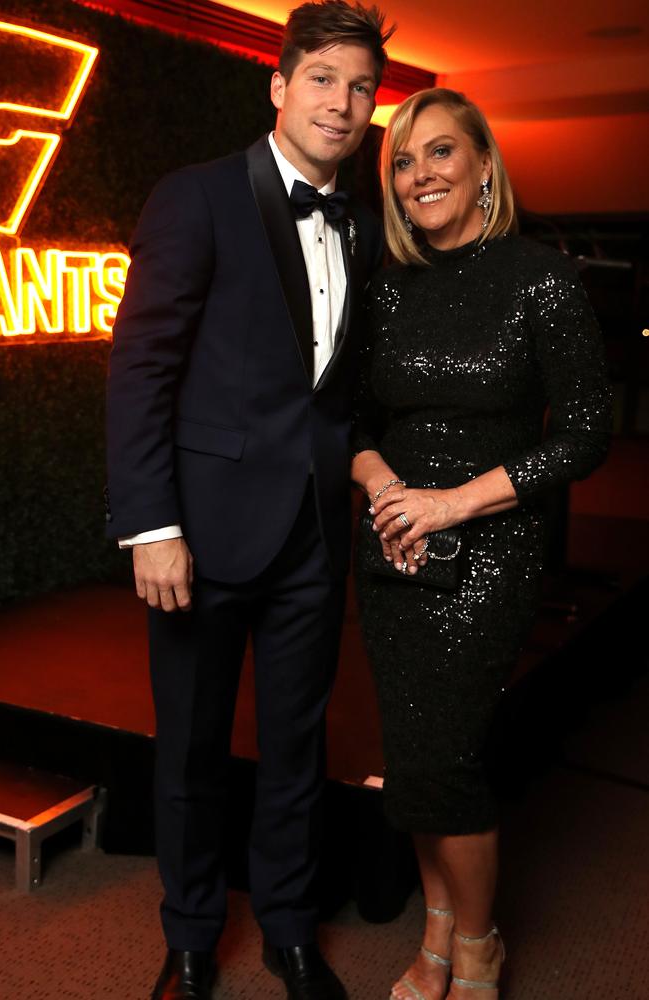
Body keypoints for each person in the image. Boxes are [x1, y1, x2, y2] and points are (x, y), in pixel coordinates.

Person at [105, 4, 395, 998]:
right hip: (201, 528)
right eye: (322, 79)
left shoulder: (358, 222)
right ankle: (189, 940)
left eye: (359, 87)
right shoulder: (195, 198)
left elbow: (336, 390)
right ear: (278, 86)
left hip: (315, 534)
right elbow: (141, 368)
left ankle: (286, 929)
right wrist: (152, 524)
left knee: (296, 747)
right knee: (187, 749)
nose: (341, 103)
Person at [351, 88, 611, 1000]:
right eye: (404, 162)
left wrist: (452, 505)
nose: (421, 176)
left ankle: (481, 944)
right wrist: (389, 494)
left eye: (441, 154)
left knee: (446, 758)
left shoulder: (541, 276)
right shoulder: (387, 283)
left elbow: (586, 432)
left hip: (489, 552)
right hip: (392, 548)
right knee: (415, 757)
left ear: (484, 165)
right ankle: (437, 938)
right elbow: (348, 416)